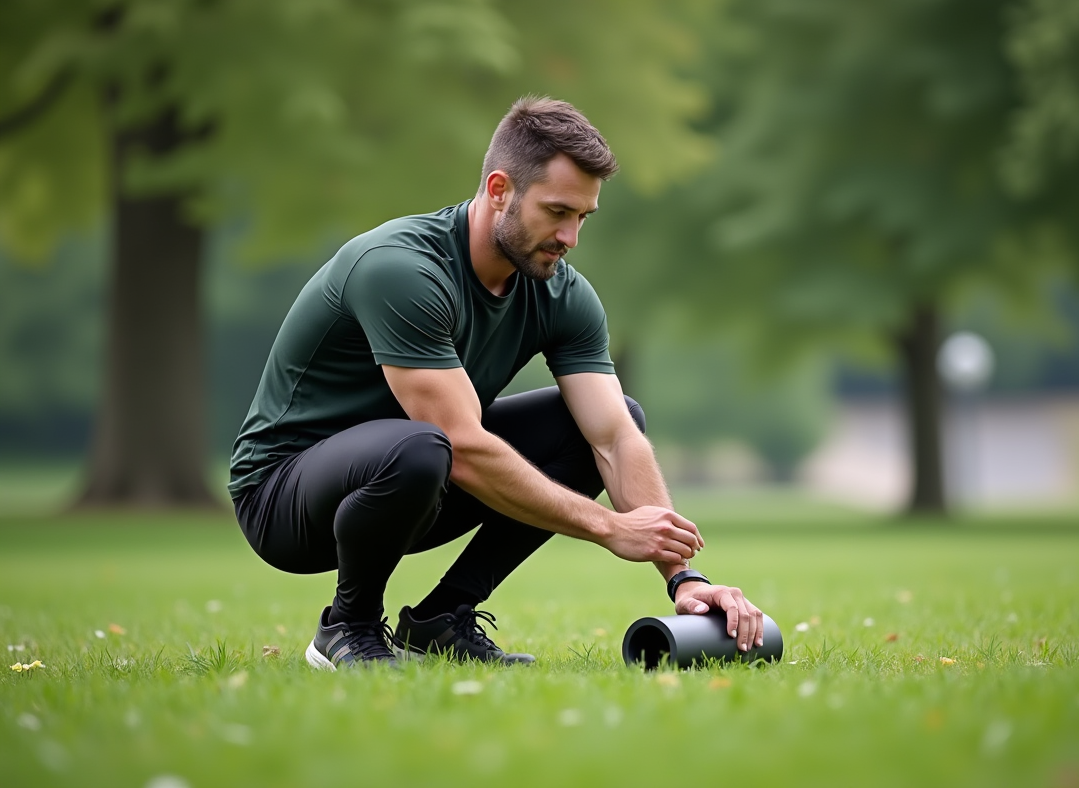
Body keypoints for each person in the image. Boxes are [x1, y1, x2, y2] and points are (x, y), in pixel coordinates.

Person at [229, 96, 763, 669]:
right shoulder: (401, 269)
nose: (570, 237)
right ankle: (347, 628)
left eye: (583, 217)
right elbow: (458, 442)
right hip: (285, 497)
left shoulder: (562, 294)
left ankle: (441, 620)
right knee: (424, 445)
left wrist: (684, 577)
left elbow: (612, 438)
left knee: (617, 416)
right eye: (557, 211)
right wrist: (608, 526)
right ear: (499, 188)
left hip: (420, 480)